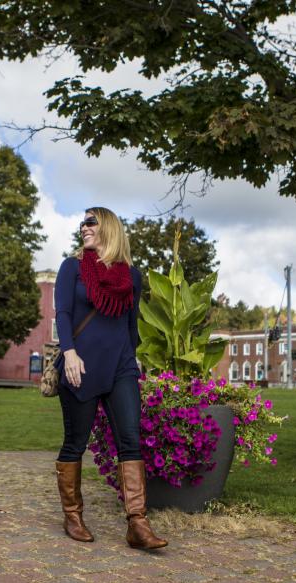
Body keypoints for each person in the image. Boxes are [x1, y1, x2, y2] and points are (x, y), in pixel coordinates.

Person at [54, 206, 167, 550]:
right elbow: (62, 312)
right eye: (82, 223)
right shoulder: (72, 267)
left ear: (108, 228)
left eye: (90, 222)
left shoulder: (131, 276)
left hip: (120, 367)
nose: (83, 227)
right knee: (76, 442)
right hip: (81, 366)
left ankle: (137, 523)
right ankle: (73, 515)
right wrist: (69, 353)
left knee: (130, 440)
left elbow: (130, 324)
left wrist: (133, 358)